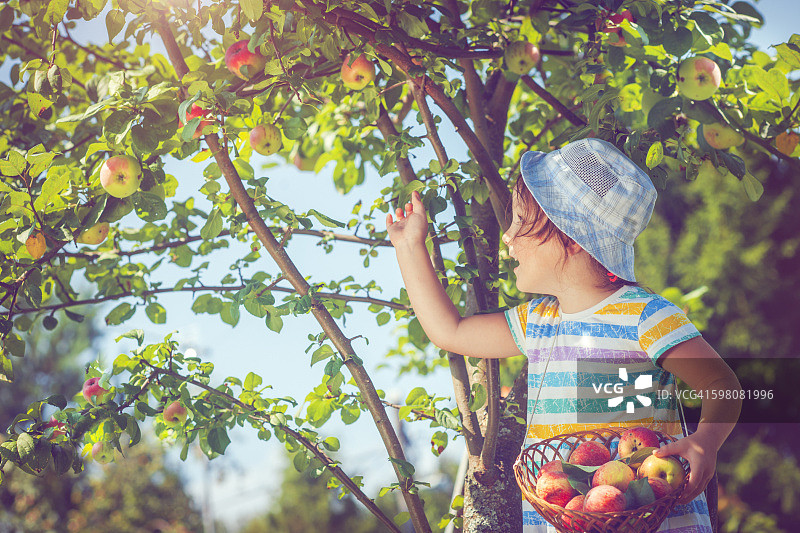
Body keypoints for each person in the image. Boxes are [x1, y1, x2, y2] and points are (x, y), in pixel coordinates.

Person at [386, 138, 742, 532]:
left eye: (519, 221)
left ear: (570, 237)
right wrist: (409, 246)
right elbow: (450, 332)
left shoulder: (644, 315)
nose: (507, 236)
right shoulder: (538, 321)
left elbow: (722, 384)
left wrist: (705, 441)